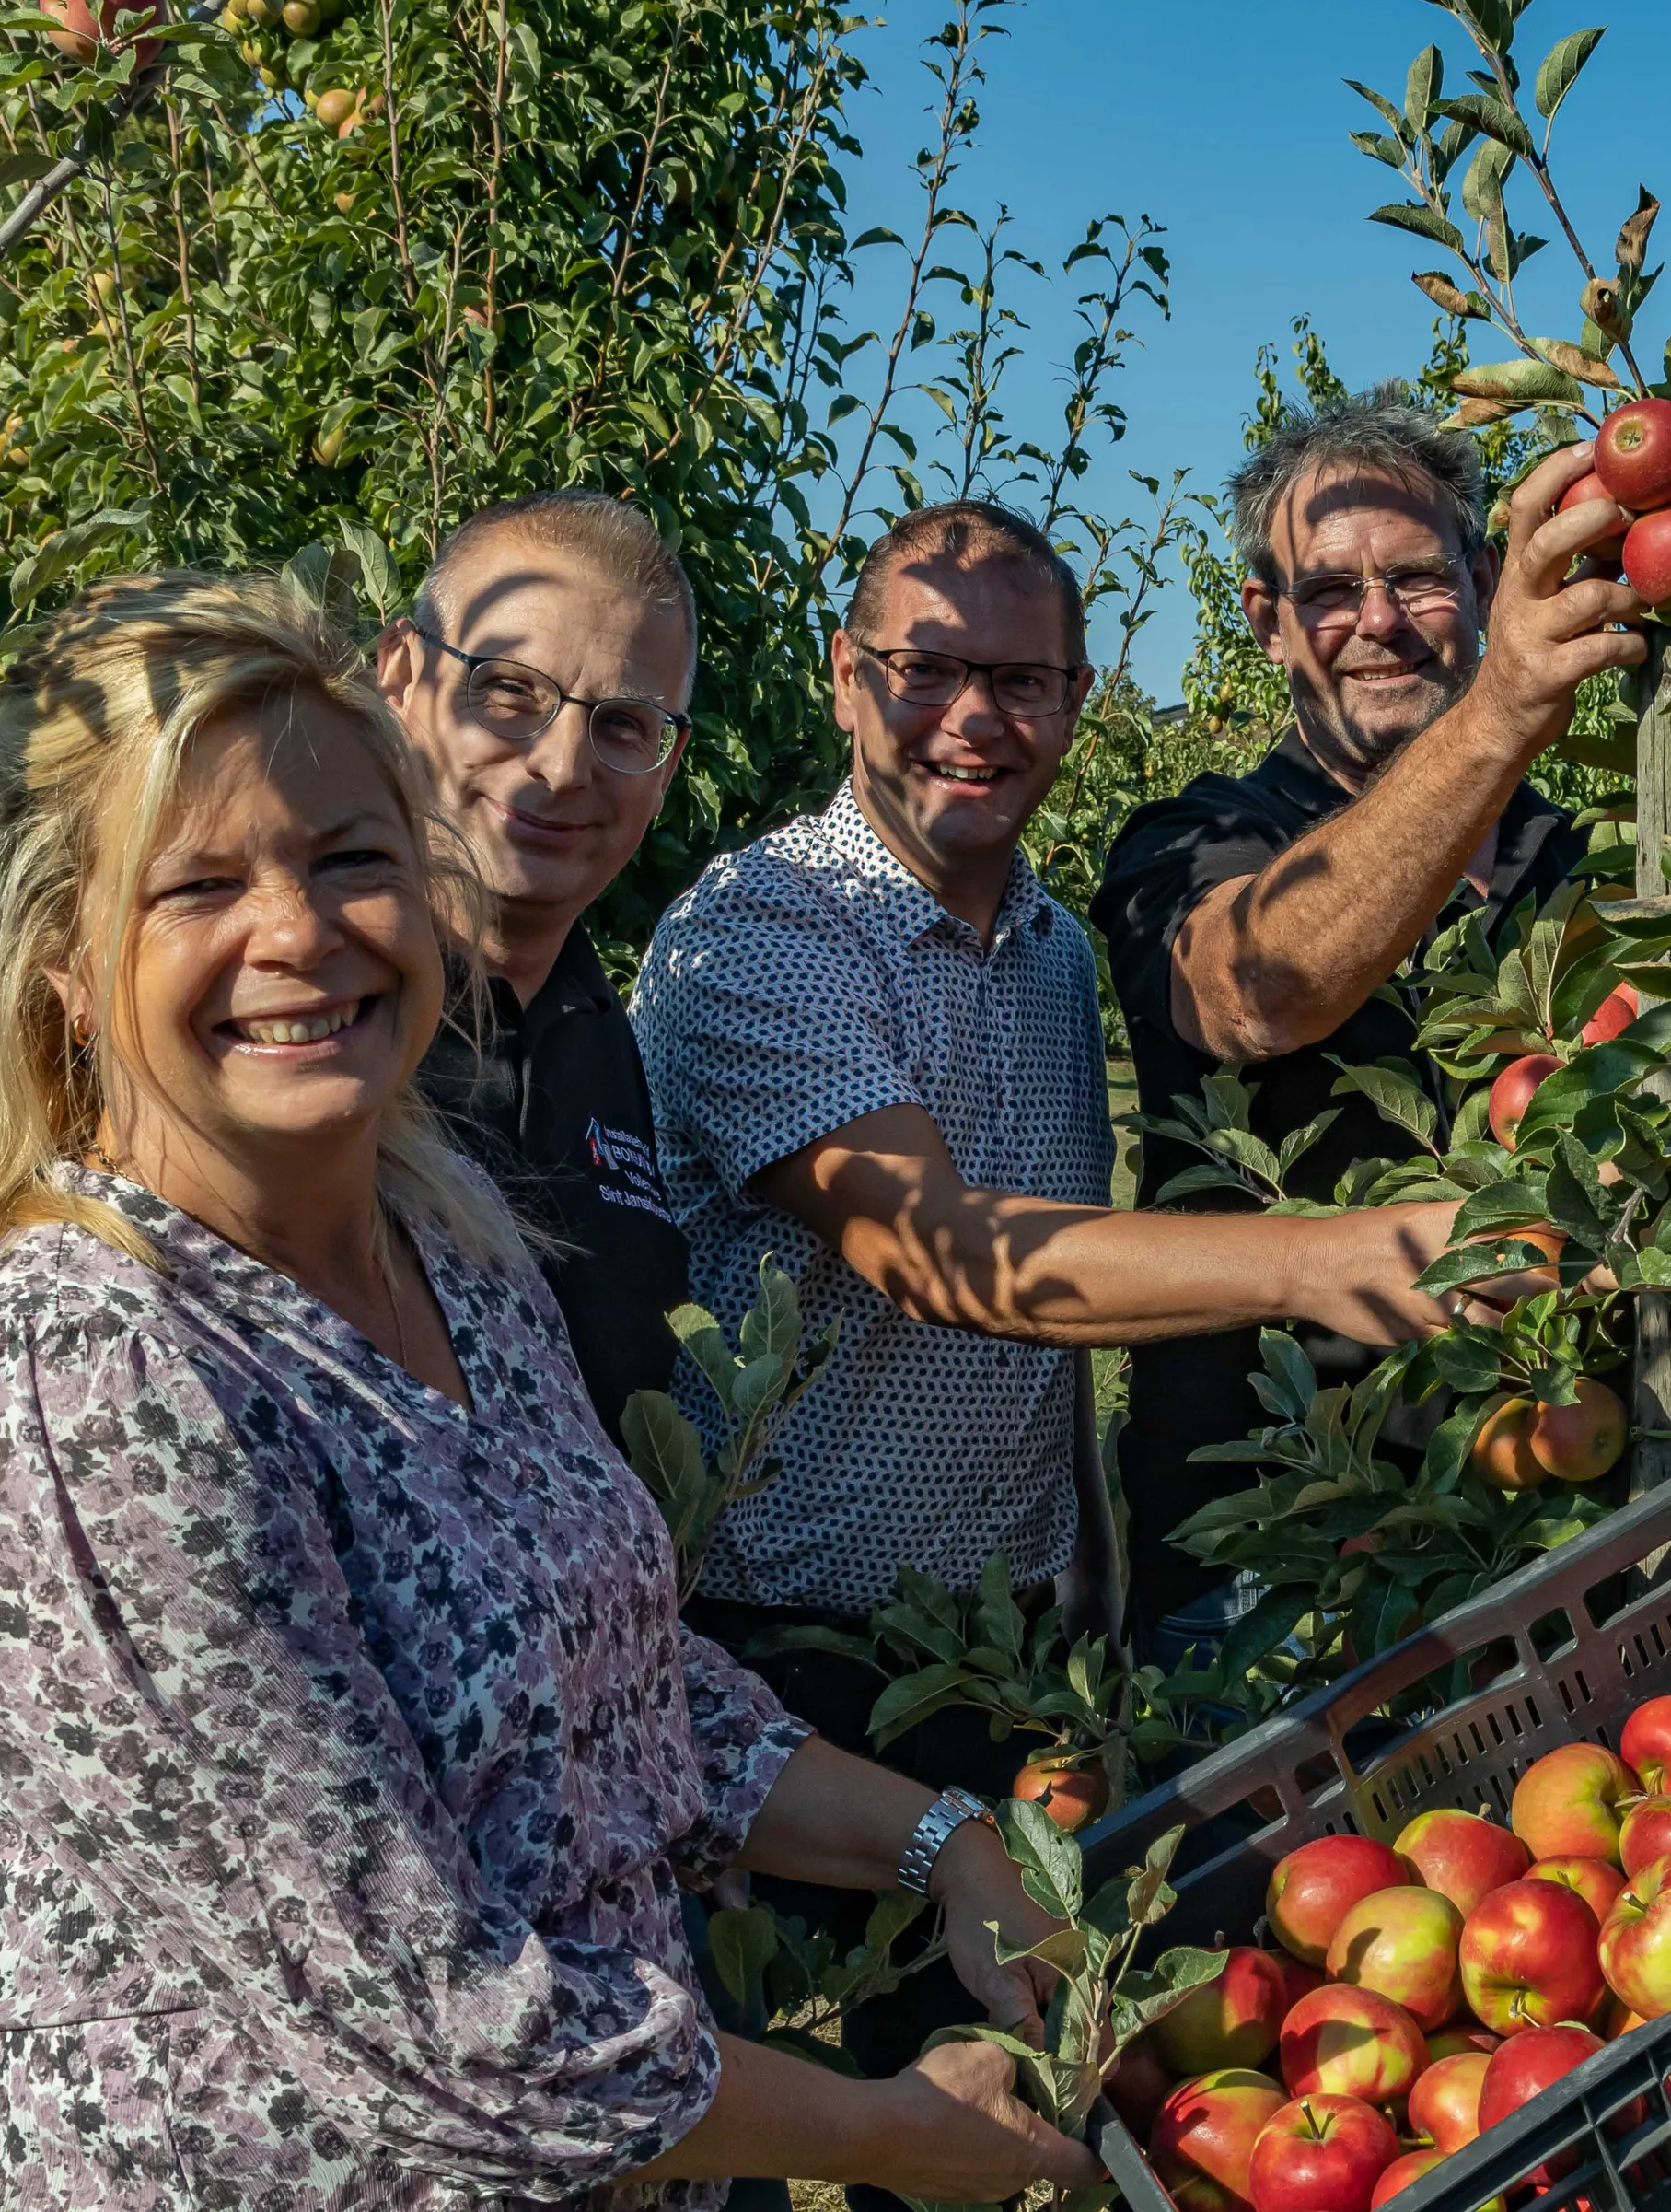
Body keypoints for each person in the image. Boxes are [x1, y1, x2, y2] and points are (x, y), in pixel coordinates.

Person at [0, 574, 1090, 2206]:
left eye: (349, 861)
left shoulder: (451, 1244)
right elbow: (437, 2026)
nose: (299, 934)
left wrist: (944, 1840)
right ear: (68, 972)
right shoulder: (94, 1372)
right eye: (198, 886)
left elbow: (626, 1683)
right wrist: (894, 2136)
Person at [632, 500, 1497, 2144]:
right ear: (839, 679)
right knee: (726, 2105)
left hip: (1002, 1642)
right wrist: (1322, 1260)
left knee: (1002, 2103)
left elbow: (1047, 1291)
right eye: (928, 668)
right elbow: (947, 1255)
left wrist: (1082, 1562)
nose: (975, 718)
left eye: (1023, 681)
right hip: (782, 1657)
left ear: (1081, 700)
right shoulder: (762, 928)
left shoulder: (1044, 952)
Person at [1092, 389, 1642, 1657]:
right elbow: (1258, 989)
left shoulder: (1605, 869)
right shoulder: (1190, 841)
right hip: (1275, 1568)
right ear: (1264, 623)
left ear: (1488, 579)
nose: (1378, 623)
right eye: (1330, 590)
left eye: (1417, 578)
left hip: (1568, 1533)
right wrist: (1501, 711)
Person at [375, 488, 702, 1434]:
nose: (563, 765)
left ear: (666, 764)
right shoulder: (312, 1013)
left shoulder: (600, 1027)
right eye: (510, 689)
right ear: (399, 676)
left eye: (623, 724)